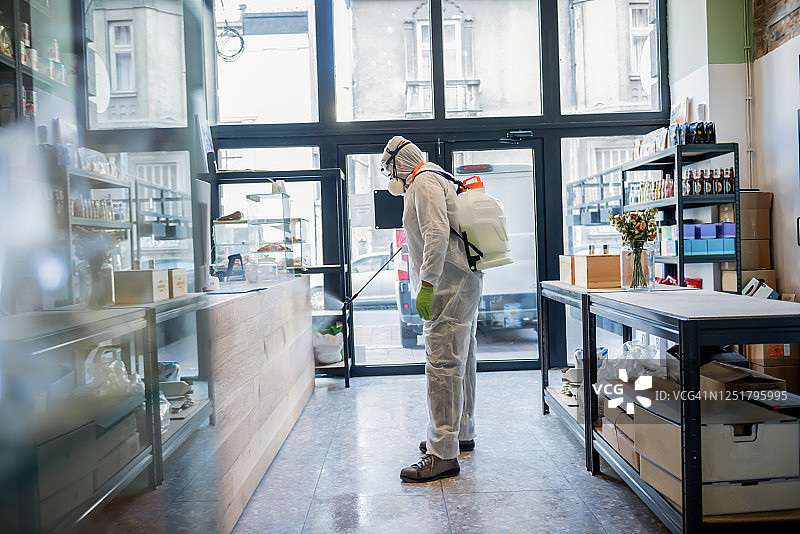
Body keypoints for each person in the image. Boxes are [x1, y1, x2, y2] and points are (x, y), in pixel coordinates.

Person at [380, 136, 483, 483]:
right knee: (461, 360)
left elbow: (436, 234)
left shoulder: (422, 182)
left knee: (442, 366)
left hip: (447, 286)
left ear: (399, 163)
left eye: (388, 169)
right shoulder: (436, 175)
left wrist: (426, 285)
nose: (389, 177)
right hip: (461, 281)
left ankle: (442, 454)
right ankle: (460, 433)